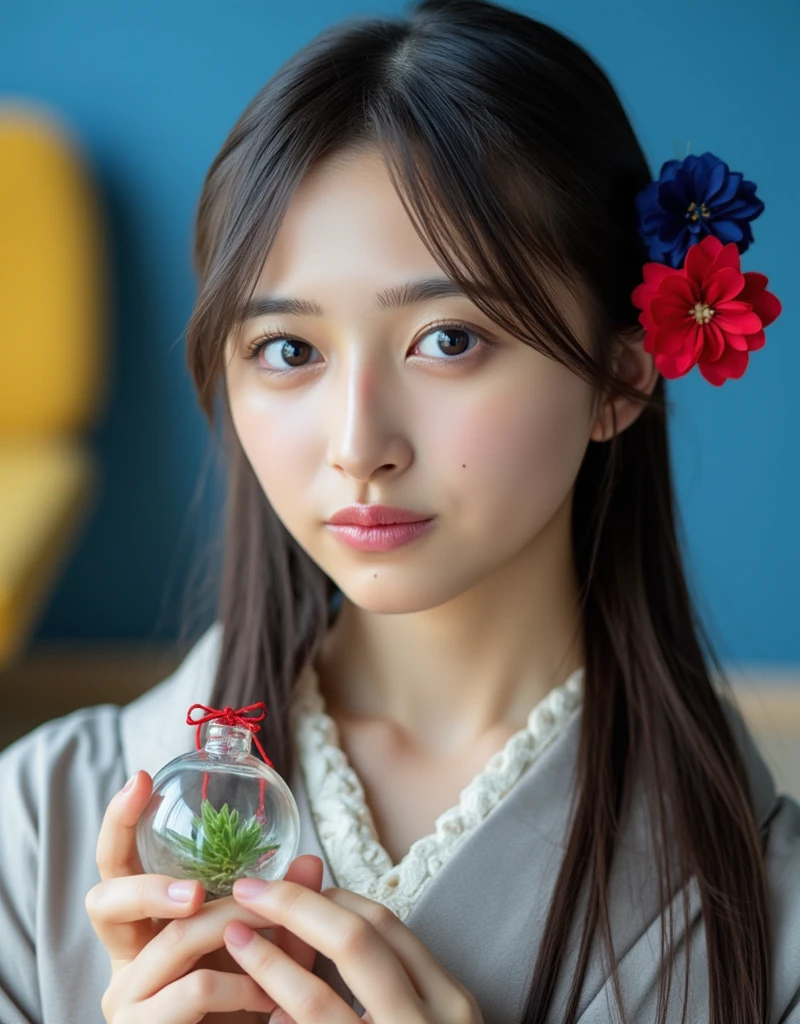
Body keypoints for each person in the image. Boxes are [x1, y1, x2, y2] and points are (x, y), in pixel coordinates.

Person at [0, 0, 796, 1021]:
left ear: (618, 372)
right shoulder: (38, 821)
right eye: (288, 350)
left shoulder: (770, 920)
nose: (356, 442)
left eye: (448, 338)